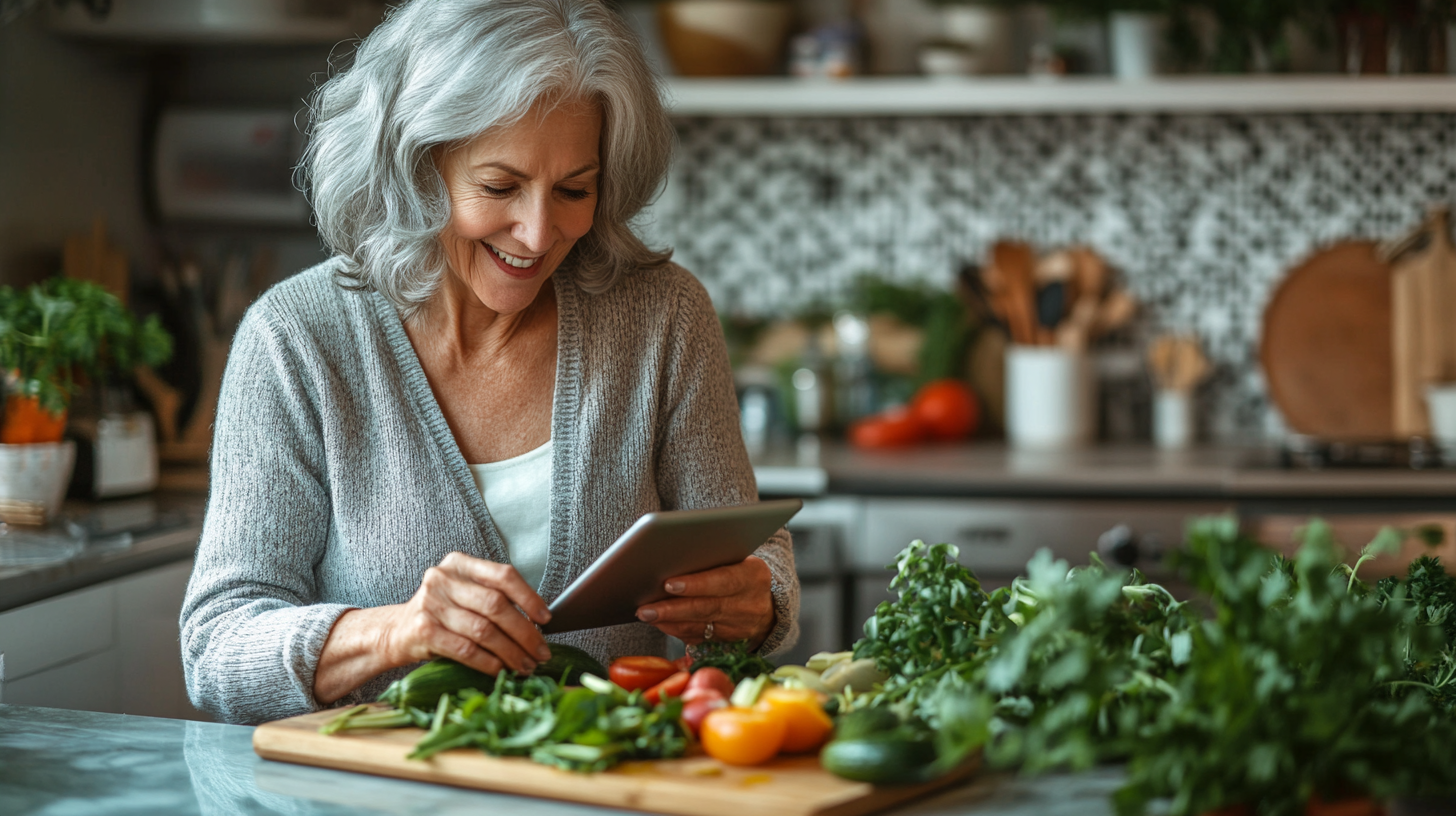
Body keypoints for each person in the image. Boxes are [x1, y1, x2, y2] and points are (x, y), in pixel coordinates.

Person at [180, 0, 798, 725]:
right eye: (499, 187)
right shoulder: (297, 339)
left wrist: (759, 603)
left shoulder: (662, 317)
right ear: (418, 164)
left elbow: (760, 563)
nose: (539, 233)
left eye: (575, 189)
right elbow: (216, 648)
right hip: (378, 799)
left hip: (609, 784)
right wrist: (397, 630)